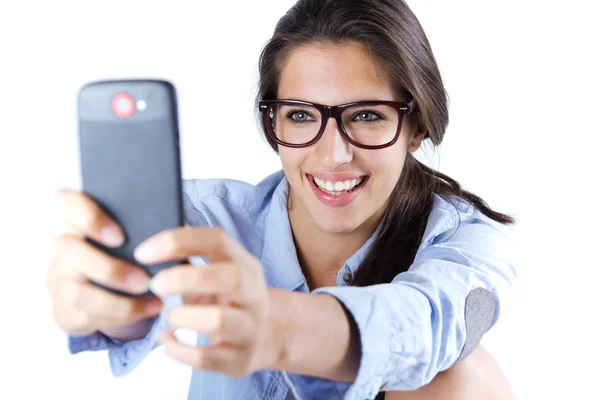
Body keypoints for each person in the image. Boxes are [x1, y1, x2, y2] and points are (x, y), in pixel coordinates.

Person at [46, 0, 517, 399]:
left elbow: (435, 325)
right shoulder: (211, 222)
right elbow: (145, 282)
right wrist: (111, 298)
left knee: (465, 377)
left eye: (368, 115)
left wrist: (279, 329)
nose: (333, 154)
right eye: (300, 115)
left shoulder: (464, 240)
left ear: (416, 128)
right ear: (274, 123)